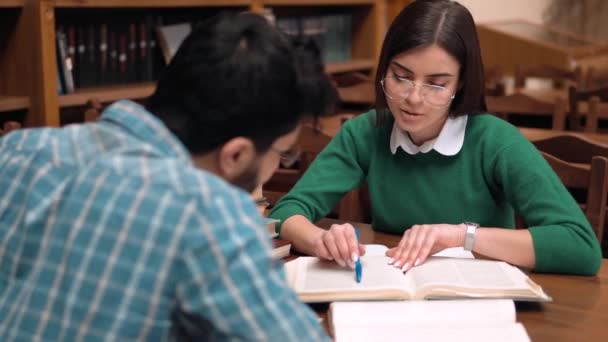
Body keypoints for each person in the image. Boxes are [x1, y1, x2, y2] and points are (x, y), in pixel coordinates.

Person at [0, 13, 335, 341]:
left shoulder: (18, 149)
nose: (278, 164)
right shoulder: (209, 213)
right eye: (282, 152)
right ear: (236, 155)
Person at [270, 0, 602, 276]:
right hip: (395, 289)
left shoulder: (496, 141)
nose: (413, 98)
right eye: (401, 77)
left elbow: (580, 247)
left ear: (460, 85)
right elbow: (288, 211)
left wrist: (461, 236)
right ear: (384, 70)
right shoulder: (365, 132)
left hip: (480, 297)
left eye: (436, 84)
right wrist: (320, 239)